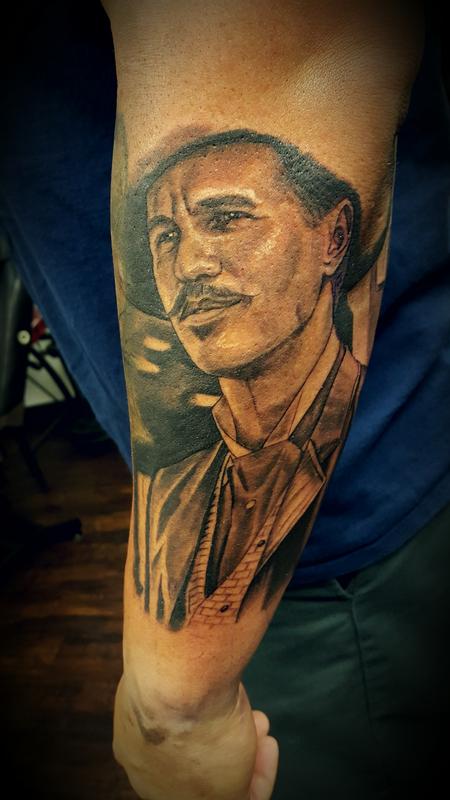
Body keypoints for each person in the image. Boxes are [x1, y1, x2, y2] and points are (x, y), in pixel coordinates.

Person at [1, 2, 449, 800]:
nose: (187, 266)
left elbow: (288, 52)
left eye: (226, 218)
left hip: (348, 555)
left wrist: (174, 708)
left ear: (333, 238)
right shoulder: (190, 484)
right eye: (165, 237)